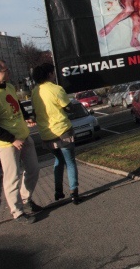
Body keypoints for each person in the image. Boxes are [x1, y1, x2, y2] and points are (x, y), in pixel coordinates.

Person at [0, 60, 41, 224]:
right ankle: (17, 212)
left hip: (24, 136)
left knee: (34, 169)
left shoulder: (9, 87)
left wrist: (26, 117)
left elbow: (17, 104)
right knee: (12, 177)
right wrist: (12, 139)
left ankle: (26, 199)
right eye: (6, 71)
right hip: (8, 144)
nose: (9, 73)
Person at [31, 63, 81, 205]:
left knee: (58, 160)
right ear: (49, 74)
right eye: (53, 73)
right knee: (70, 162)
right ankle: (74, 193)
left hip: (46, 134)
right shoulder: (56, 89)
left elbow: (35, 112)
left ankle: (58, 190)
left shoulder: (35, 92)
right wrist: (70, 106)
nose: (54, 75)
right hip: (62, 130)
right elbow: (69, 108)